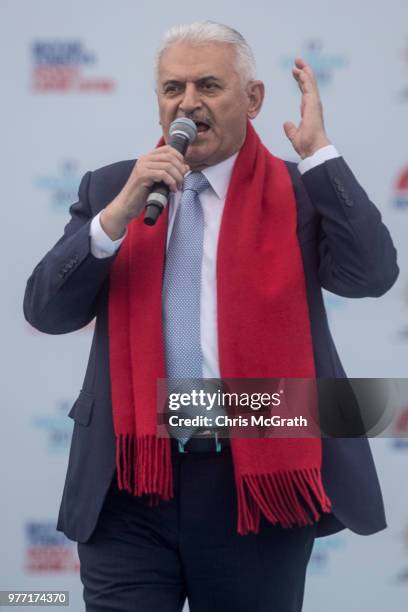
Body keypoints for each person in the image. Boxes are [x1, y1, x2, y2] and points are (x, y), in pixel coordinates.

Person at [23, 20, 399, 612]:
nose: (188, 102)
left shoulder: (299, 192)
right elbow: (46, 312)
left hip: (251, 482)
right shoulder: (113, 188)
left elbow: (372, 276)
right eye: (172, 88)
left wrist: (318, 156)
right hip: (129, 477)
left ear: (251, 100)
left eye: (208, 85)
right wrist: (114, 220)